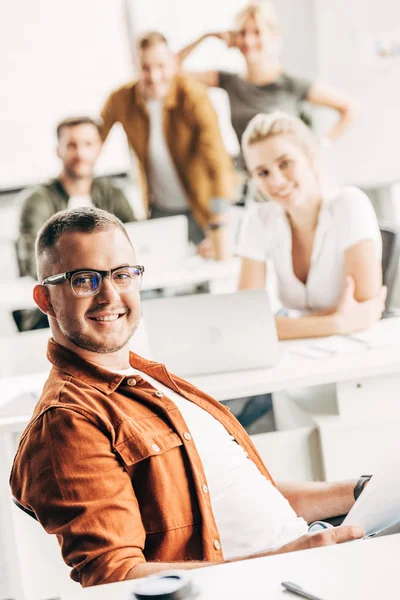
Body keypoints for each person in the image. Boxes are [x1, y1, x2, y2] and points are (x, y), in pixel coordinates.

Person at [11, 207, 365, 588]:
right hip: (269, 585)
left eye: (122, 275)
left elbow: (243, 497)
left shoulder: (149, 377)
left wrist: (360, 490)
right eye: (85, 280)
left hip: (302, 566)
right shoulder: (69, 421)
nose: (110, 295)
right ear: (45, 298)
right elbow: (117, 579)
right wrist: (280, 562)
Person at [238, 110, 386, 339]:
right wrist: (336, 323)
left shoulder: (349, 205)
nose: (275, 181)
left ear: (310, 156)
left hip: (358, 346)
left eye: (285, 163)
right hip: (300, 351)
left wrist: (277, 327)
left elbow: (363, 309)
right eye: (263, 172)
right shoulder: (258, 219)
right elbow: (245, 320)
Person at [99, 31, 236, 248]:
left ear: (172, 63)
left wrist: (219, 218)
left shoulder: (193, 95)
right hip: (160, 210)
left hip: (202, 209)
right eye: (146, 68)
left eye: (161, 66)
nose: (154, 76)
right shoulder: (122, 99)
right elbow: (95, 138)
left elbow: (216, 159)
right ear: (136, 66)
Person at [178, 1, 358, 150]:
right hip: (250, 179)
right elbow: (170, 72)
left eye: (257, 32)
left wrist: (320, 144)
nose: (248, 40)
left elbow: (350, 108)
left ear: (273, 36)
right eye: (242, 32)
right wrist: (206, 36)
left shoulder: (290, 83)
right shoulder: (228, 81)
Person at [17, 116, 135, 280]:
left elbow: (136, 242)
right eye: (72, 145)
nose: (81, 153)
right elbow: (32, 262)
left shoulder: (113, 194)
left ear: (98, 148)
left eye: (88, 144)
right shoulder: (37, 201)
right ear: (58, 150)